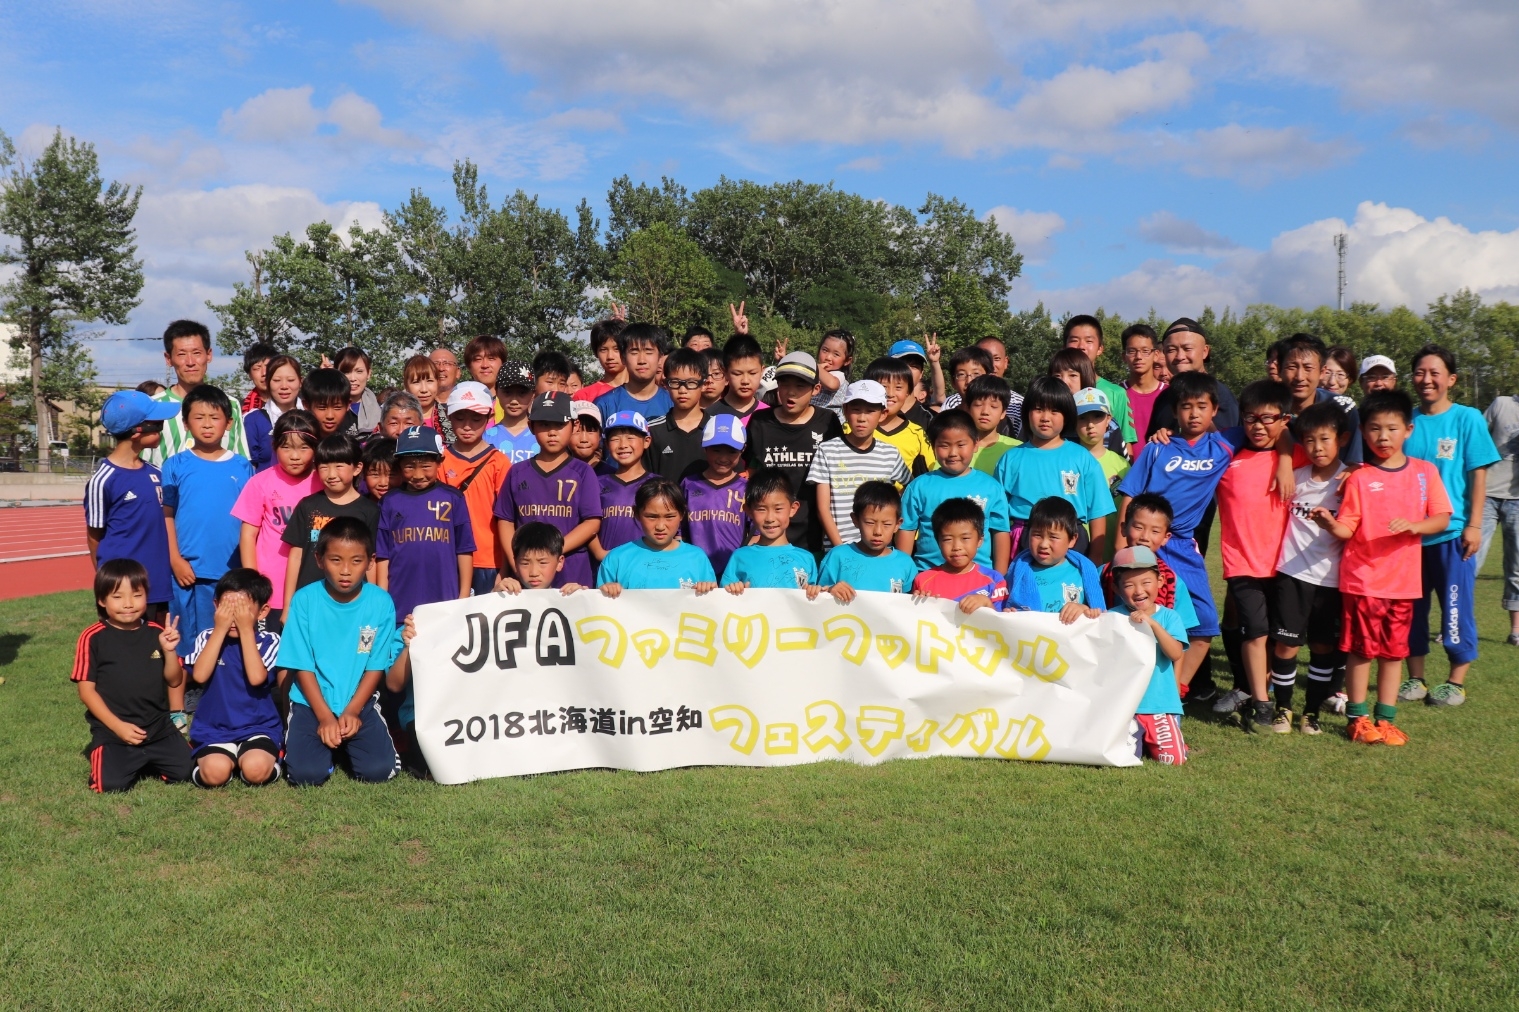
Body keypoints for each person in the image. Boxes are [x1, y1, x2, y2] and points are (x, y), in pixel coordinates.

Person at [1310, 390, 1453, 745]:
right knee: (1361, 651)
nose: (1383, 437)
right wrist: (1330, 524)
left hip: (1404, 584)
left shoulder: (1425, 473)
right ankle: (1358, 720)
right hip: (1364, 581)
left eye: (1391, 428)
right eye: (1374, 429)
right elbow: (1348, 528)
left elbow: (1441, 518)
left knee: (1393, 654)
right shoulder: (1359, 478)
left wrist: (1415, 526)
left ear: (1408, 429)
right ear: (1363, 432)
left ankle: (1385, 720)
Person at [1116, 372, 1265, 700]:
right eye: (1186, 406)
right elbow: (1130, 493)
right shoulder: (1158, 448)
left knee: (1206, 622)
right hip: (1145, 545)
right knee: (1138, 615)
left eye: (1202, 406)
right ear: (1175, 411)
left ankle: (1175, 690)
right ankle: (1131, 689)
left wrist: (1283, 462)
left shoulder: (1224, 444)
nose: (1194, 414)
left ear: (1215, 410)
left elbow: (1275, 428)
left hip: (1183, 546)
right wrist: (1121, 545)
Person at [1401, 345, 1500, 706]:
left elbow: (1478, 476)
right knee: (1411, 610)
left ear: (1451, 379)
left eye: (1435, 373)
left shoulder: (1467, 418)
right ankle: (1415, 678)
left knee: (1455, 608)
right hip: (1411, 535)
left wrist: (1473, 526)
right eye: (1419, 372)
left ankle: (1455, 681)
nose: (1426, 380)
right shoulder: (1405, 422)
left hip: (1453, 533)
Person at [276, 516, 402, 786]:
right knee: (306, 775)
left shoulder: (380, 603)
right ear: (319, 560)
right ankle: (328, 747)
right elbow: (301, 665)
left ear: (370, 562)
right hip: (311, 703)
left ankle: (347, 744)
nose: (346, 570)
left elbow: (376, 666)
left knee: (378, 770)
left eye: (356, 561)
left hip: (359, 701)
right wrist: (324, 717)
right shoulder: (304, 600)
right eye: (336, 560)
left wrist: (353, 710)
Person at [1211, 380, 1295, 733]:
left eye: (1268, 418)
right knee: (1255, 633)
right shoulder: (1227, 457)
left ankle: (1271, 695)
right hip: (1242, 564)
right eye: (1250, 418)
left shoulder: (1296, 456)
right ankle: (1261, 703)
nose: (1258, 426)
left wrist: (1286, 458)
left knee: (1280, 636)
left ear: (1284, 420)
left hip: (1287, 564)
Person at [72, 559, 193, 792]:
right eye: (117, 597)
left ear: (147, 596)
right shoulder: (92, 637)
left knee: (189, 772)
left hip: (158, 727)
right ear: (102, 600)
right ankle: (125, 759)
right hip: (114, 731)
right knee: (110, 785)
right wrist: (118, 727)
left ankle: (147, 758)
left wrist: (169, 651)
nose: (128, 604)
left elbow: (175, 680)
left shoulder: (157, 633)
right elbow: (86, 692)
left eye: (137, 595)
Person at [1270, 401, 1351, 734]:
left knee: (1322, 647)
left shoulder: (1350, 481)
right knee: (1286, 645)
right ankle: (1283, 709)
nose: (1317, 448)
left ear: (1342, 439)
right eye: (1310, 440)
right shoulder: (1296, 479)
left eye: (1325, 439)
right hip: (1292, 575)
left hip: (1331, 581)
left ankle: (1312, 713)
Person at [160, 384, 255, 662]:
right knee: (186, 643)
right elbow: (167, 515)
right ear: (186, 424)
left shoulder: (243, 467)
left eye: (214, 417)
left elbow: (251, 522)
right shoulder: (174, 465)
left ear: (229, 423)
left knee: (227, 643)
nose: (207, 424)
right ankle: (188, 683)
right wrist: (175, 559)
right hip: (188, 571)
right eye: (199, 417)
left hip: (230, 572)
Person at [86, 391, 180, 627]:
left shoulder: (156, 472)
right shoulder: (103, 480)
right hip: (125, 589)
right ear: (138, 430)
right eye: (157, 425)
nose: (162, 429)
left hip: (159, 583)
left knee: (159, 645)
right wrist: (109, 582)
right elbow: (94, 537)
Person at [184, 569, 283, 787]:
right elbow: (199, 675)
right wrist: (220, 630)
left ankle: (261, 758)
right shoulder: (207, 637)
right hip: (214, 728)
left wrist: (246, 630)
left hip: (258, 727)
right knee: (215, 774)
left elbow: (257, 678)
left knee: (255, 770)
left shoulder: (270, 640)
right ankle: (223, 759)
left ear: (262, 612)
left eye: (242, 611)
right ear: (216, 606)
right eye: (228, 609)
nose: (234, 618)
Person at [993, 377, 1113, 558]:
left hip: (1072, 540)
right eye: (1038, 409)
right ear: (1027, 412)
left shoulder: (1082, 458)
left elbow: (1098, 512)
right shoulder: (1010, 459)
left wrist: (1094, 562)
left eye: (1055, 411)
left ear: (1067, 415)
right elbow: (997, 517)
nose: (1045, 418)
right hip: (1024, 539)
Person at [493, 392, 603, 589]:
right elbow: (506, 520)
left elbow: (592, 522)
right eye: (544, 424)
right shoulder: (517, 472)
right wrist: (515, 560)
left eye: (559, 424)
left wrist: (553, 552)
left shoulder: (583, 472)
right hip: (527, 573)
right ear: (531, 426)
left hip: (572, 572)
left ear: (575, 426)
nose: (552, 432)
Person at [745, 351, 846, 552]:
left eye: (800, 386)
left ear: (816, 389)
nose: (791, 392)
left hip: (813, 539)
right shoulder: (760, 422)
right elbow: (750, 474)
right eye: (785, 384)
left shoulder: (828, 422)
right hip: (767, 535)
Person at [376, 425, 474, 626]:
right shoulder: (389, 501)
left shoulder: (453, 498)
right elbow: (383, 556)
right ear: (399, 465)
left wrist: (463, 598)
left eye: (426, 466)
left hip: (445, 605)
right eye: (409, 466)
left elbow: (464, 550)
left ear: (439, 462)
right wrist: (382, 601)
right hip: (399, 605)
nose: (418, 474)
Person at [231, 410, 321, 628]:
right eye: (286, 447)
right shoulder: (260, 482)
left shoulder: (324, 481)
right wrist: (252, 582)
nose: (295, 456)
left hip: (315, 585)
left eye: (304, 447)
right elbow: (248, 535)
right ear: (274, 447)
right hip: (271, 589)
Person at [899, 410, 1011, 573]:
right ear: (933, 446)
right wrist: (904, 574)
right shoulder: (918, 486)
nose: (953, 453)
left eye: (961, 445)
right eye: (944, 445)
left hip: (979, 578)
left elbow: (1000, 532)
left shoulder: (991, 487)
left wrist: (1000, 577)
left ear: (975, 444)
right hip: (928, 576)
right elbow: (907, 529)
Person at [1107, 546, 1190, 765]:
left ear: (1160, 581)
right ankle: (1140, 740)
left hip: (1159, 703)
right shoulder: (1112, 617)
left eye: (1146, 582)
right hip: (1125, 705)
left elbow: (1175, 653)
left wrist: (1152, 624)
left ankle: (1166, 737)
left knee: (1173, 760)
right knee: (1122, 756)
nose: (1139, 591)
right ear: (1116, 588)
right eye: (1129, 585)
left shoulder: (1170, 617)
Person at [808, 380, 911, 552]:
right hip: (838, 550)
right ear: (845, 410)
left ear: (883, 414)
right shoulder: (827, 450)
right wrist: (841, 550)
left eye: (870, 411)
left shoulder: (890, 453)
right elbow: (823, 509)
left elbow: (910, 489)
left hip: (880, 552)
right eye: (856, 410)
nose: (862, 418)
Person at [281, 433, 379, 603]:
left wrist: (370, 601)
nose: (331, 474)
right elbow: (296, 556)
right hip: (310, 599)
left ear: (357, 468)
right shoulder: (307, 506)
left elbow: (371, 561)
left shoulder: (370, 510)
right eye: (324, 467)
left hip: (353, 600)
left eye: (339, 466)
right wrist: (289, 604)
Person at [438, 382, 511, 596]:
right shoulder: (440, 461)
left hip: (490, 560)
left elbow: (507, 519)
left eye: (476, 418)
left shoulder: (499, 462)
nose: (467, 426)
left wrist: (505, 569)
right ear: (449, 417)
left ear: (489, 417)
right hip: (449, 558)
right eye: (460, 418)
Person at [142, 320, 249, 465]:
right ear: (168, 359)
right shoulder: (152, 407)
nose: (190, 362)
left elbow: (242, 462)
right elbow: (141, 464)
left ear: (209, 355)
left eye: (196, 353)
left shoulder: (230, 404)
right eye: (181, 354)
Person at [1097, 493, 1202, 637]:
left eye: (1155, 531)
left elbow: (1179, 636)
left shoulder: (1172, 581)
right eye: (1138, 527)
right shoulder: (1102, 574)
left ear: (1166, 537)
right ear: (1124, 528)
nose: (1145, 537)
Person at [597, 479, 720, 595]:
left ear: (682, 514)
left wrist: (708, 590)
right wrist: (607, 591)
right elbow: (600, 605)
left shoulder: (697, 557)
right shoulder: (617, 558)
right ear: (637, 513)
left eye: (669, 517)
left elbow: (709, 605)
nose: (660, 526)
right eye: (652, 517)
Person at [1005, 497, 1104, 620]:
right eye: (1037, 535)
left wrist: (1084, 610)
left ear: (1072, 540)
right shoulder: (1017, 572)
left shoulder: (1083, 571)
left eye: (1053, 537)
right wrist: (1007, 613)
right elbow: (1003, 605)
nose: (1043, 544)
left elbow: (1099, 617)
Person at [817, 481, 918, 600]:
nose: (878, 532)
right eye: (870, 523)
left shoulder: (905, 563)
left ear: (897, 524)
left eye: (887, 524)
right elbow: (819, 596)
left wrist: (921, 596)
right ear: (855, 520)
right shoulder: (837, 556)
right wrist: (830, 590)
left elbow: (909, 604)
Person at [720, 469, 819, 592]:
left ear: (793, 509)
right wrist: (733, 591)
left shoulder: (806, 558)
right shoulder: (740, 557)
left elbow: (814, 599)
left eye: (778, 509)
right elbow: (723, 599)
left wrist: (814, 591)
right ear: (748, 511)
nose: (770, 518)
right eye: (761, 509)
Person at [1144, 318, 1240, 437]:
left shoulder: (1219, 394)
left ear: (1205, 351)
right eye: (1171, 350)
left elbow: (1228, 441)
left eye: (1187, 349)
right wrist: (1160, 437)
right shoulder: (1164, 397)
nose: (1180, 356)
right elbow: (1151, 439)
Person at [911, 498, 1008, 613]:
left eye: (965, 538)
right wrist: (919, 604)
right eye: (948, 539)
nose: (957, 547)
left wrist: (987, 603)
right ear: (938, 541)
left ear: (980, 540)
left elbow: (1002, 621)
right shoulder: (923, 580)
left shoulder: (995, 580)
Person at [682, 415, 749, 576]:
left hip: (734, 574)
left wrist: (740, 565)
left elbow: (756, 534)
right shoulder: (688, 484)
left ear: (743, 449)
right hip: (695, 571)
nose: (723, 458)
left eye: (732, 451)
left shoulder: (746, 488)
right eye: (716, 450)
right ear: (705, 447)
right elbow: (678, 531)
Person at [1279, 334, 1362, 463]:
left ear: (1322, 372)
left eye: (1308, 368)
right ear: (1279, 370)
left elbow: (1353, 464)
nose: (1300, 377)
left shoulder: (1343, 408)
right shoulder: (1267, 410)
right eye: (1292, 367)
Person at [1478, 388, 1519, 646]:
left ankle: (1516, 631)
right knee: (1470, 561)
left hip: (1517, 499)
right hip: (1486, 495)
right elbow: (1475, 440)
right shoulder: (1502, 404)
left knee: (1516, 567)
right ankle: (1454, 622)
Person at [1062, 315, 1137, 455]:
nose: (1081, 346)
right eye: (1074, 340)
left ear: (1100, 348)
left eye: (1089, 341)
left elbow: (1126, 443)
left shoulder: (1116, 393)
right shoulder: (1055, 390)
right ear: (1064, 346)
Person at [1072, 387, 1128, 562]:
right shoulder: (1066, 459)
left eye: (1097, 416)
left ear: (1109, 419)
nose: (1090, 425)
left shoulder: (1122, 465)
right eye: (1083, 418)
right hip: (1075, 552)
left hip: (1112, 556)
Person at [592, 411, 654, 559]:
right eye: (615, 439)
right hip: (606, 565)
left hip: (646, 564)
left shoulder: (658, 485)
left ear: (646, 441)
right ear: (607, 444)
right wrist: (600, 554)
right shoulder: (597, 483)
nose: (623, 445)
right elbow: (587, 523)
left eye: (630, 437)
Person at [864, 357, 935, 477]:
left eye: (898, 387)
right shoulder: (852, 427)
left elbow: (931, 475)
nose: (890, 394)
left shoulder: (917, 433)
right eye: (884, 386)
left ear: (908, 392)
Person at [645, 347, 708, 482]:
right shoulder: (652, 430)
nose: (682, 390)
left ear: (704, 384)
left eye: (691, 383)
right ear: (666, 384)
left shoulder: (716, 428)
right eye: (675, 383)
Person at [594, 323, 675, 421]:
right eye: (634, 352)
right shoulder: (604, 405)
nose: (642, 360)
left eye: (648, 352)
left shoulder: (673, 402)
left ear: (660, 357)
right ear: (623, 358)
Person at [245, 354, 301, 471]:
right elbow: (249, 466)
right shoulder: (252, 420)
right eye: (276, 380)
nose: (284, 386)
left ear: (300, 382)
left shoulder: (313, 417)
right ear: (268, 383)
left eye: (291, 380)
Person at [494, 522, 583, 593]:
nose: (534, 573)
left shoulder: (568, 597)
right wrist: (495, 595)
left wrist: (582, 596)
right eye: (525, 563)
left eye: (542, 563)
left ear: (559, 562)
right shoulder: (506, 597)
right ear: (516, 564)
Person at [1121, 324, 1166, 449]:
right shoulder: (1116, 394)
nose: (1138, 357)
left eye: (1145, 351)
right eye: (1132, 351)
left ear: (1156, 354)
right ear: (1124, 356)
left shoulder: (1170, 394)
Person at [483, 361, 539, 463]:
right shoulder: (486, 438)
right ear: (496, 391)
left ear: (533, 394)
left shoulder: (541, 437)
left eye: (522, 393)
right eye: (507, 392)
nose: (514, 401)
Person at [964, 375, 1021, 474]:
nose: (985, 412)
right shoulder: (954, 447)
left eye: (993, 406)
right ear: (968, 409)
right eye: (978, 405)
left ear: (1003, 413)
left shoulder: (1017, 449)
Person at [709, 334, 768, 425]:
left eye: (752, 373)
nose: (745, 381)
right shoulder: (711, 416)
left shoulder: (769, 416)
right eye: (737, 374)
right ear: (725, 373)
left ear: (762, 371)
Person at [574, 319, 628, 403]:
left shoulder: (643, 391)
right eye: (603, 350)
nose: (610, 356)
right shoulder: (584, 396)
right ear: (596, 353)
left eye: (616, 349)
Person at [403, 354, 452, 444]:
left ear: (437, 382)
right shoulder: (396, 420)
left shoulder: (452, 417)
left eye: (430, 381)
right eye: (416, 382)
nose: (424, 389)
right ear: (406, 385)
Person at [887, 340, 935, 428]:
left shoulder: (932, 420)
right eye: (902, 365)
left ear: (921, 374)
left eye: (914, 367)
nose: (908, 371)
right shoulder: (872, 413)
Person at [334, 347, 381, 434]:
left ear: (369, 374)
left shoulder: (381, 411)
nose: (352, 378)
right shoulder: (328, 409)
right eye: (346, 372)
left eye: (359, 371)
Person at [301, 367, 357, 439]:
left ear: (348, 405)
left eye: (337, 407)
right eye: (322, 407)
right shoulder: (298, 440)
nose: (330, 416)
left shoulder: (354, 439)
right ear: (306, 405)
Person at [463, 335, 509, 422]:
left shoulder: (513, 403)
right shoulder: (460, 402)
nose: (485, 365)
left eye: (491, 358)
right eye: (478, 359)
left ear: (503, 364)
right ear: (469, 366)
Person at [937, 346, 993, 411]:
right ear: (953, 382)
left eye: (976, 374)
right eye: (961, 374)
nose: (969, 381)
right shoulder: (949, 416)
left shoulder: (997, 416)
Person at [812, 329, 854, 415]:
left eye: (836, 354)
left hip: (828, 419)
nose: (828, 357)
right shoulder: (813, 371)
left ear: (847, 361)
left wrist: (816, 367)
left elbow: (832, 384)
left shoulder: (838, 375)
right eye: (825, 350)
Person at [240, 342, 277, 415]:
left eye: (268, 366)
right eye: (257, 368)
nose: (264, 373)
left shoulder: (295, 402)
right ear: (249, 375)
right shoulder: (241, 408)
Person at [570, 401, 603, 468]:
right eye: (577, 431)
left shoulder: (611, 473)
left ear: (600, 435)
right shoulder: (557, 471)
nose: (584, 439)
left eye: (590, 430)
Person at [362, 437, 394, 502]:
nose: (383, 483)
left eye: (391, 475)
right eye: (375, 474)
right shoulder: (358, 506)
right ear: (364, 474)